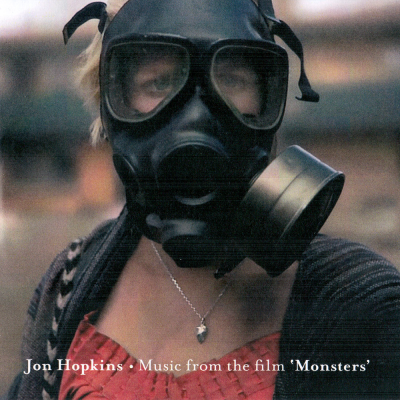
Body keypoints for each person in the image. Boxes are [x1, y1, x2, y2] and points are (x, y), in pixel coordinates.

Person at [4, 0, 400, 399]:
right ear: (111, 104)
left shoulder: (360, 307)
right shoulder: (68, 283)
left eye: (232, 80)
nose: (196, 114)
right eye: (158, 82)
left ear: (268, 98)